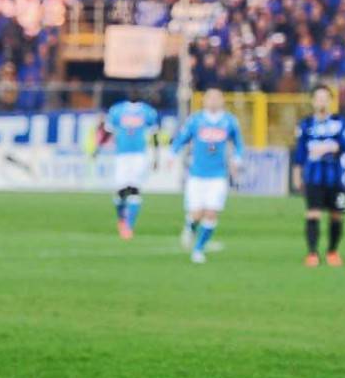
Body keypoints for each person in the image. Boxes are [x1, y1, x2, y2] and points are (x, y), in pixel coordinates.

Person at [170, 88, 244, 264]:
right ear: (204, 100)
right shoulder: (196, 120)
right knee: (196, 214)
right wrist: (172, 154)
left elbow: (239, 143)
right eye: (209, 98)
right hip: (197, 174)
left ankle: (198, 250)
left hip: (218, 175)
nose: (213, 101)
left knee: (211, 213)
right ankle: (190, 227)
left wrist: (237, 158)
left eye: (216, 98)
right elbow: (182, 138)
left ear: (222, 101)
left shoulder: (229, 121)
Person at [293, 84, 345, 267]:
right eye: (318, 98)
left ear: (330, 101)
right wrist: (296, 176)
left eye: (325, 98)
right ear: (312, 101)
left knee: (338, 214)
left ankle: (333, 252)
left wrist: (331, 148)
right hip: (313, 178)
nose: (322, 102)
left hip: (337, 179)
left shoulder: (341, 121)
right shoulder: (305, 125)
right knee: (313, 213)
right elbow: (300, 153)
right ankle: (312, 253)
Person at [103, 96, 159, 240]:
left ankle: (129, 226)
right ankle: (122, 218)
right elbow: (108, 131)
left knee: (134, 189)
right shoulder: (116, 110)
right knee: (121, 191)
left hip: (140, 155)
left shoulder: (148, 111)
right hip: (121, 155)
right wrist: (99, 148)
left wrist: (156, 156)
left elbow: (154, 135)